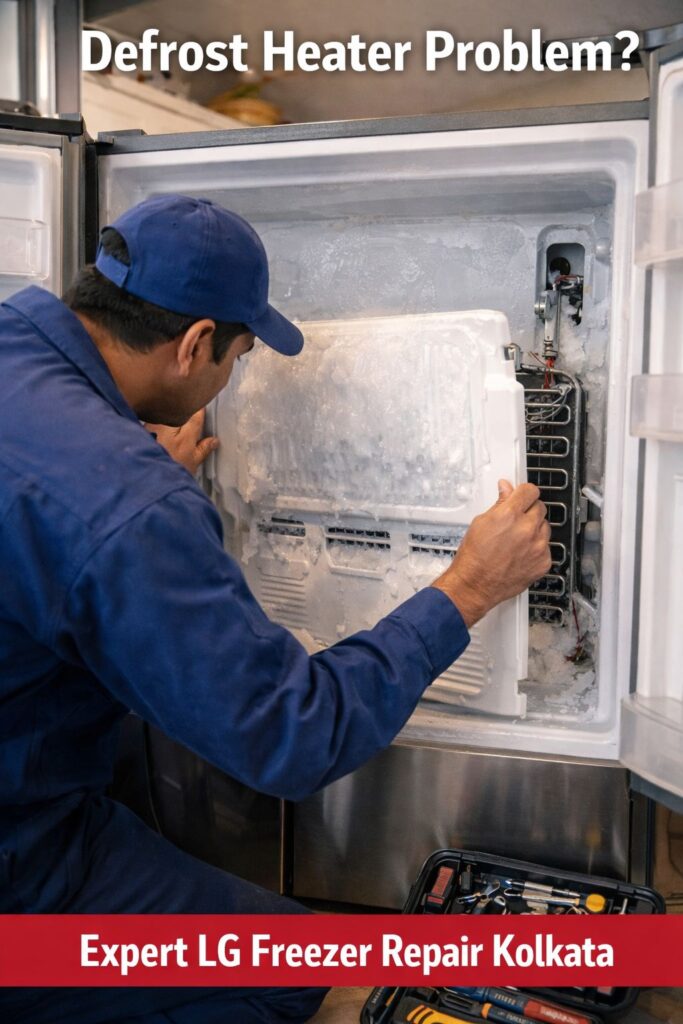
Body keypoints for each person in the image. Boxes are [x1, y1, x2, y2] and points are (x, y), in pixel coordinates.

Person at [0, 195, 551, 1023]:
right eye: (241, 355)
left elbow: (50, 510)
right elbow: (290, 736)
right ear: (193, 346)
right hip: (26, 868)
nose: (233, 378)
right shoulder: (124, 502)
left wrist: (120, 488)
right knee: (301, 972)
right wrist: (468, 587)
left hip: (34, 784)